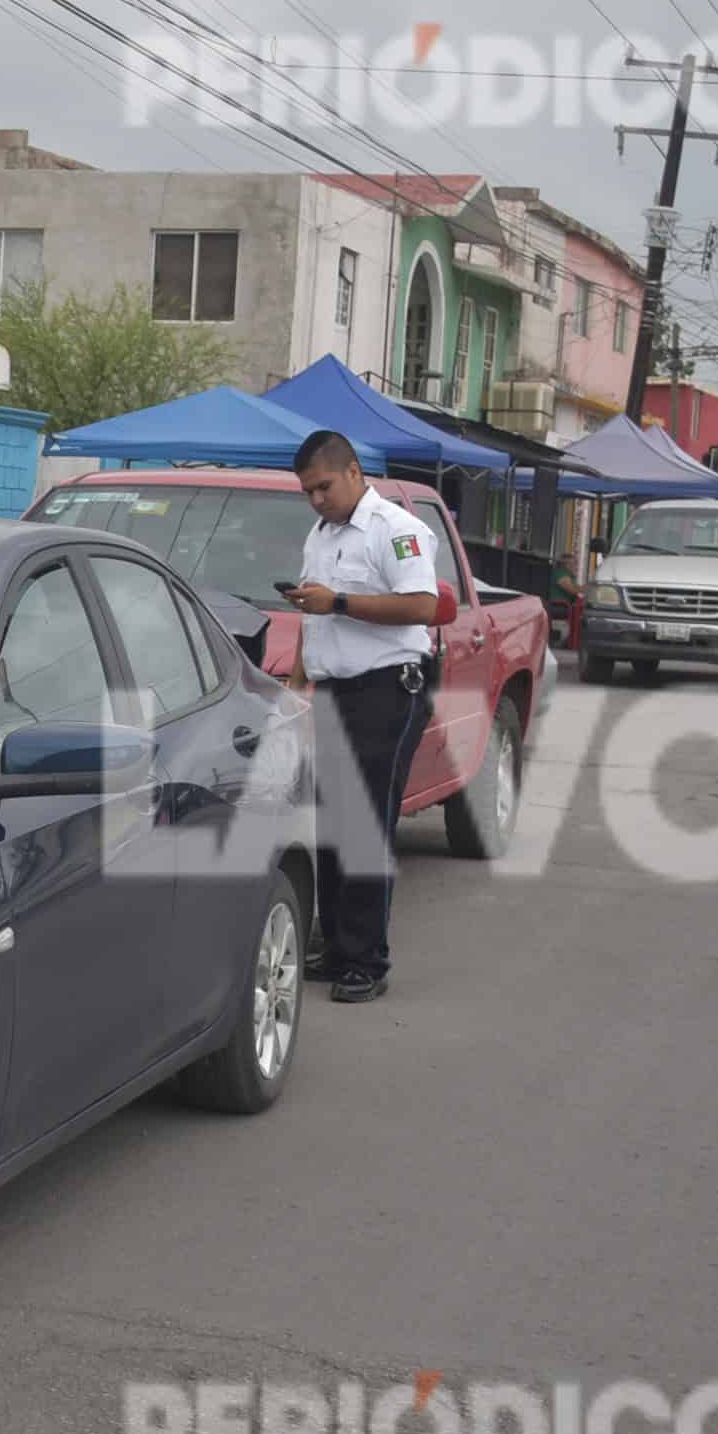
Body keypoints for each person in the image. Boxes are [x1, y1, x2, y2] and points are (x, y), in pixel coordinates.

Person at [280, 428, 440, 1004]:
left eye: (323, 486)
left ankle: (368, 961)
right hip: (334, 691)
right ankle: (340, 948)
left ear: (352, 472)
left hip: (387, 690)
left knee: (365, 827)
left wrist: (339, 601)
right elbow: (311, 613)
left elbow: (423, 605)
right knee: (330, 824)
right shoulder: (320, 535)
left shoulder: (397, 530)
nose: (316, 499)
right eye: (307, 492)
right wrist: (297, 686)